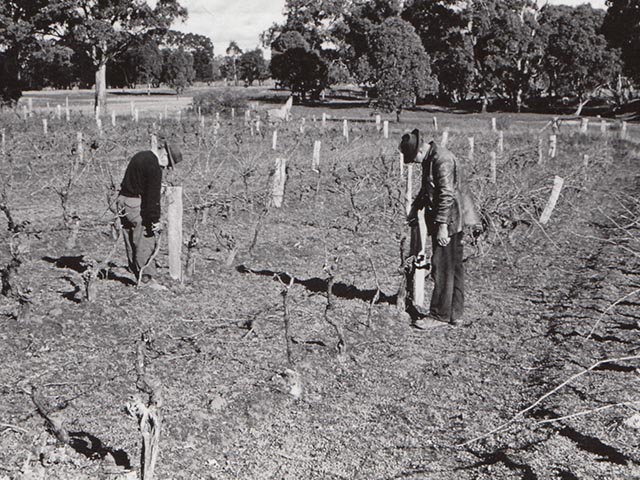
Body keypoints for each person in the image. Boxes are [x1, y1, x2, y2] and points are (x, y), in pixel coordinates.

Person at [400, 128, 479, 328]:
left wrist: (443, 226)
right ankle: (455, 314)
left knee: (442, 266)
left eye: (412, 159)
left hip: (449, 220)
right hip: (451, 219)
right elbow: (427, 188)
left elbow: (446, 195)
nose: (414, 163)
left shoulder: (441, 160)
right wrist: (415, 208)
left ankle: (439, 315)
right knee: (454, 267)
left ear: (418, 151)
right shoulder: (431, 157)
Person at [116, 141, 183, 290]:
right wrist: (154, 220)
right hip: (136, 204)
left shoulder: (141, 155)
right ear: (165, 155)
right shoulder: (154, 167)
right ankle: (146, 279)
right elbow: (152, 198)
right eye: (168, 164)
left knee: (130, 239)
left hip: (122, 201)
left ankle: (136, 273)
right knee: (145, 239)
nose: (165, 168)